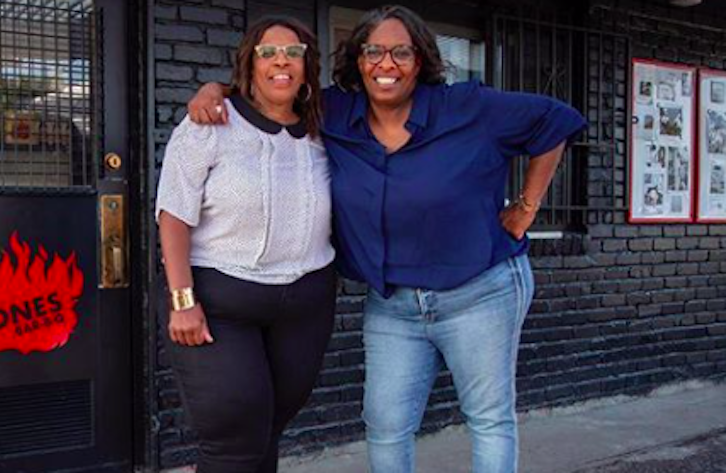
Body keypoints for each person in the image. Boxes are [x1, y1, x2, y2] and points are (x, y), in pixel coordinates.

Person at [187, 5, 586, 473]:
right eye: (374, 51)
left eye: (401, 52)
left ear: (421, 61)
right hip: (393, 301)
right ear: (358, 60)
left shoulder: (470, 107)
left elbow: (556, 121)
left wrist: (526, 206)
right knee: (385, 423)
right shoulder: (335, 111)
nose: (386, 64)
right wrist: (216, 90)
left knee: (488, 418)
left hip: (480, 290)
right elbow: (274, 88)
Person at [155, 16, 336, 473]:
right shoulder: (210, 122)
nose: (281, 61)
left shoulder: (325, 129)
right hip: (220, 304)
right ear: (249, 63)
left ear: (307, 65)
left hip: (305, 306)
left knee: (266, 428)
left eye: (293, 53)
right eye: (268, 52)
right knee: (234, 437)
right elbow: (173, 214)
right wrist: (182, 299)